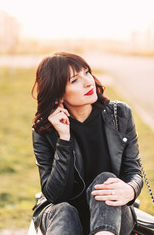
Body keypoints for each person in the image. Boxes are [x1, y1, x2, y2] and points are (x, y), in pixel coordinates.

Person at [31, 52, 143, 235]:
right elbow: (56, 196)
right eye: (74, 80)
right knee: (64, 210)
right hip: (63, 216)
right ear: (58, 92)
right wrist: (64, 139)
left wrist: (130, 189)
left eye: (87, 72)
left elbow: (133, 170)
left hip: (113, 211)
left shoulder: (120, 114)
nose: (88, 82)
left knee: (106, 182)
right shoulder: (44, 130)